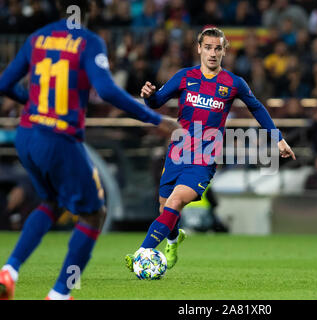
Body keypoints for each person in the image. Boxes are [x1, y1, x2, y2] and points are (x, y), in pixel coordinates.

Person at [0, 0, 178, 300]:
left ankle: (9, 271)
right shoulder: (88, 41)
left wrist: (29, 102)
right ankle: (59, 294)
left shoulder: (37, 37)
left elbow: (4, 83)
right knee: (95, 213)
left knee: (50, 202)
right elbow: (107, 90)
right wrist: (156, 120)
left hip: (27, 135)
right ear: (90, 9)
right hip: (59, 138)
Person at [125, 27, 296, 272]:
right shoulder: (184, 76)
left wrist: (277, 138)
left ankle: (143, 253)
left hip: (204, 158)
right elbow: (157, 101)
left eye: (218, 48)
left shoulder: (233, 83)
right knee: (165, 209)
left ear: (224, 50)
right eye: (208, 47)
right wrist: (149, 96)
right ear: (199, 49)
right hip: (178, 152)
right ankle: (173, 240)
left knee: (174, 203)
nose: (212, 53)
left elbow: (257, 108)